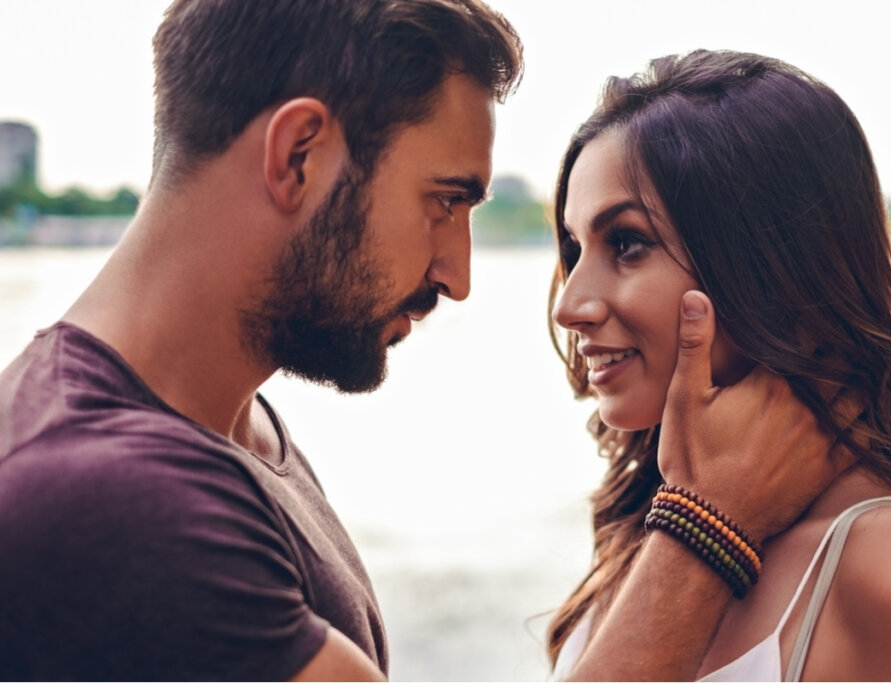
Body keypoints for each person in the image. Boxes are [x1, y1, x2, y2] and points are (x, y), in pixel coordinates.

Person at [0, 2, 846, 678]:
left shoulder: (228, 427)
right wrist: (708, 526)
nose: (458, 273)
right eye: (444, 201)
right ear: (298, 155)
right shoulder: (109, 494)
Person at [546, 49, 891, 681]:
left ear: (769, 264)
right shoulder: (641, 528)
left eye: (626, 243)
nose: (570, 303)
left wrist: (700, 524)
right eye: (574, 246)